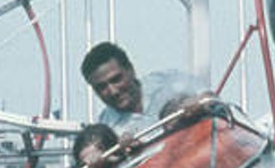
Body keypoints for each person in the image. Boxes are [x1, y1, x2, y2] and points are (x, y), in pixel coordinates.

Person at [80, 42, 212, 136]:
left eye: (116, 79)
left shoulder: (169, 81)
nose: (113, 91)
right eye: (102, 87)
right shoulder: (106, 130)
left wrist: (197, 104)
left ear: (130, 70)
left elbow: (210, 98)